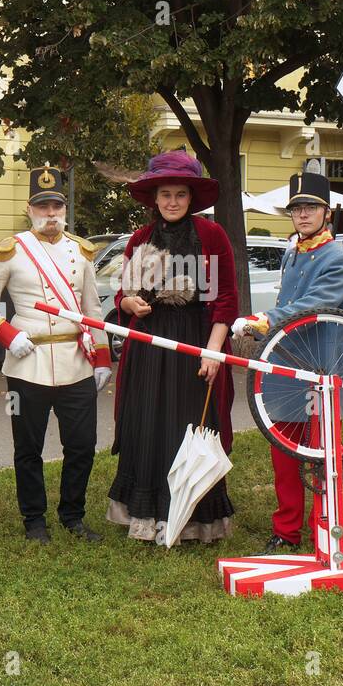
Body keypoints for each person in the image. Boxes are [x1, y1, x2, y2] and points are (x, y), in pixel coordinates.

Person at [108, 150, 238, 543]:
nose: (172, 202)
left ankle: (193, 518)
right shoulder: (141, 238)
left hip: (195, 343)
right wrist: (131, 304)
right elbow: (122, 296)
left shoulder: (211, 236)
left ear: (191, 198)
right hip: (148, 345)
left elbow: (225, 300)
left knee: (188, 424)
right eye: (165, 194)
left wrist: (213, 351)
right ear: (155, 198)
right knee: (148, 422)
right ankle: (147, 516)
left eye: (180, 194)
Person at [0, 167, 112, 543]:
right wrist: (8, 334)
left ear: (64, 209)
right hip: (26, 364)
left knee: (82, 445)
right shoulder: (11, 250)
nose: (50, 213)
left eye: (56, 206)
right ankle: (34, 520)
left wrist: (101, 359)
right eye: (43, 207)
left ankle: (73, 516)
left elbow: (93, 311)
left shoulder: (80, 251)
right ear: (30, 209)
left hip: (76, 363)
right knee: (28, 447)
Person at [231, 168, 343, 552]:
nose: (303, 215)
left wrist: (264, 319)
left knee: (322, 456)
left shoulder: (336, 257)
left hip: (321, 366)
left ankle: (326, 525)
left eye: (311, 208)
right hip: (286, 364)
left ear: (327, 213)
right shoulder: (292, 250)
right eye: (297, 208)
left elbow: (314, 304)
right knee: (283, 456)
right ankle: (286, 531)